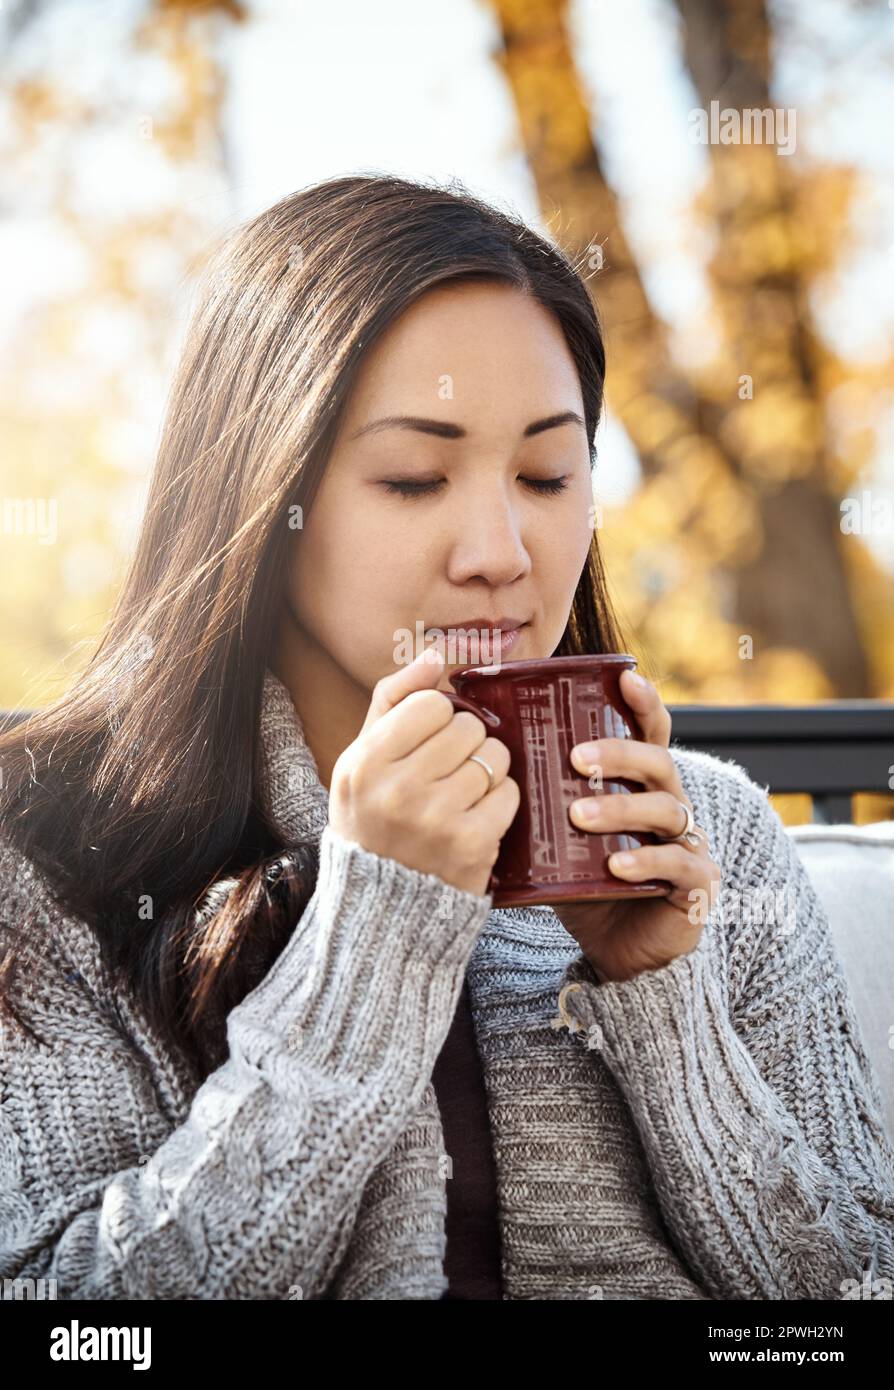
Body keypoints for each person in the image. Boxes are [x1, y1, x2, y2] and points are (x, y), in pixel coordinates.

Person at [1, 174, 892, 1301]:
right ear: (258, 494)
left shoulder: (710, 836)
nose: (501, 550)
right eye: (415, 477)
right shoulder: (49, 856)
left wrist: (667, 1010)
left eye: (547, 474)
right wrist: (373, 939)